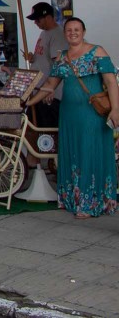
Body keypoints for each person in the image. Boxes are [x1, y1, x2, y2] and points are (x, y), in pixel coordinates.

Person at [25, 17, 119, 218]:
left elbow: (111, 82)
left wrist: (116, 109)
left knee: (88, 153)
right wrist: (29, 102)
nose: (73, 33)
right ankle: (71, 199)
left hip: (92, 114)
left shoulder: (97, 52)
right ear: (65, 33)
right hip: (68, 114)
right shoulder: (62, 57)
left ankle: (89, 203)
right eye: (69, 30)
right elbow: (50, 84)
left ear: (83, 32)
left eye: (77, 29)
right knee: (72, 153)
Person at [24, 2, 66, 128]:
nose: (35, 23)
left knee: (46, 134)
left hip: (49, 96)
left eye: (37, 19)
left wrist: (50, 89)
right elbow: (43, 58)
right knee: (33, 129)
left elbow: (58, 65)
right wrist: (32, 58)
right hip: (39, 91)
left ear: (48, 17)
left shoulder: (58, 35)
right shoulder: (44, 33)